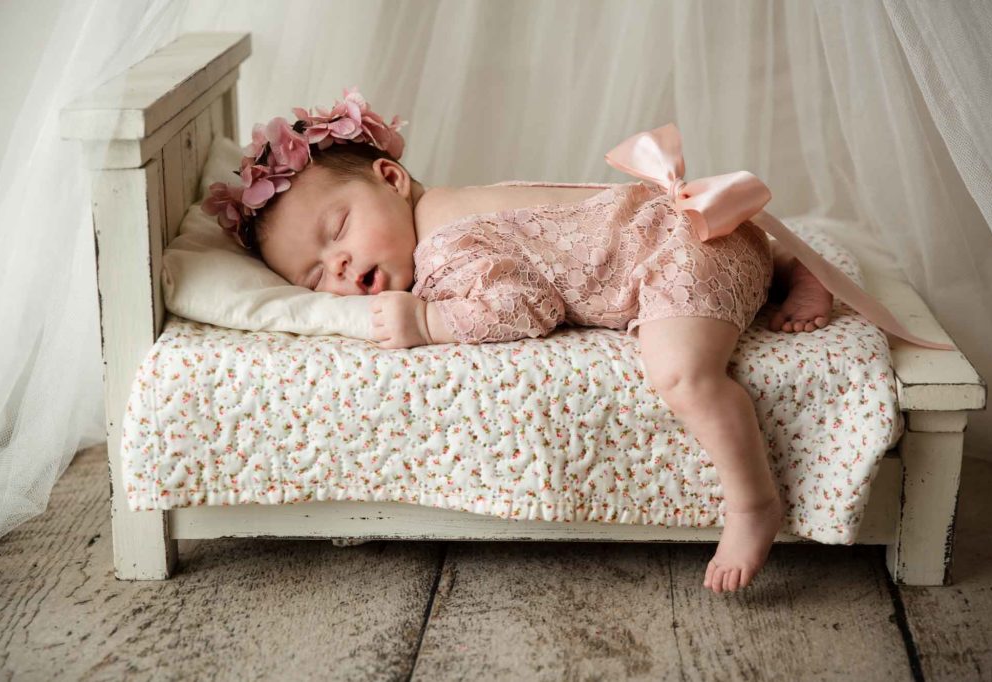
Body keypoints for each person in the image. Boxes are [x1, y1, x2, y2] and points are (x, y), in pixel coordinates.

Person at [202, 86, 949, 594]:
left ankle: (753, 502)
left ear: (391, 178)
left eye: (337, 232)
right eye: (313, 277)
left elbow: (521, 306)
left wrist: (430, 322)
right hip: (688, 227)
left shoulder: (444, 249)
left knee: (680, 375)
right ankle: (780, 261)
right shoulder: (451, 207)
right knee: (695, 311)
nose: (337, 266)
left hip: (679, 254)